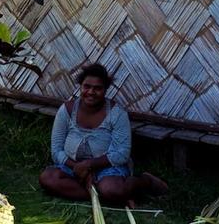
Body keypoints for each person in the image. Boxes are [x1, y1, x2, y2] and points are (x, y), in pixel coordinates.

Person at [39, 63, 168, 206]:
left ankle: (145, 181)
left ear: (105, 89)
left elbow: (122, 153)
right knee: (48, 178)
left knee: (111, 189)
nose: (91, 92)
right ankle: (104, 195)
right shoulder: (67, 110)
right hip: (73, 166)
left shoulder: (117, 113)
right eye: (86, 86)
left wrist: (89, 165)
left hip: (107, 167)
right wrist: (78, 168)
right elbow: (56, 150)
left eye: (97, 88)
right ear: (80, 86)